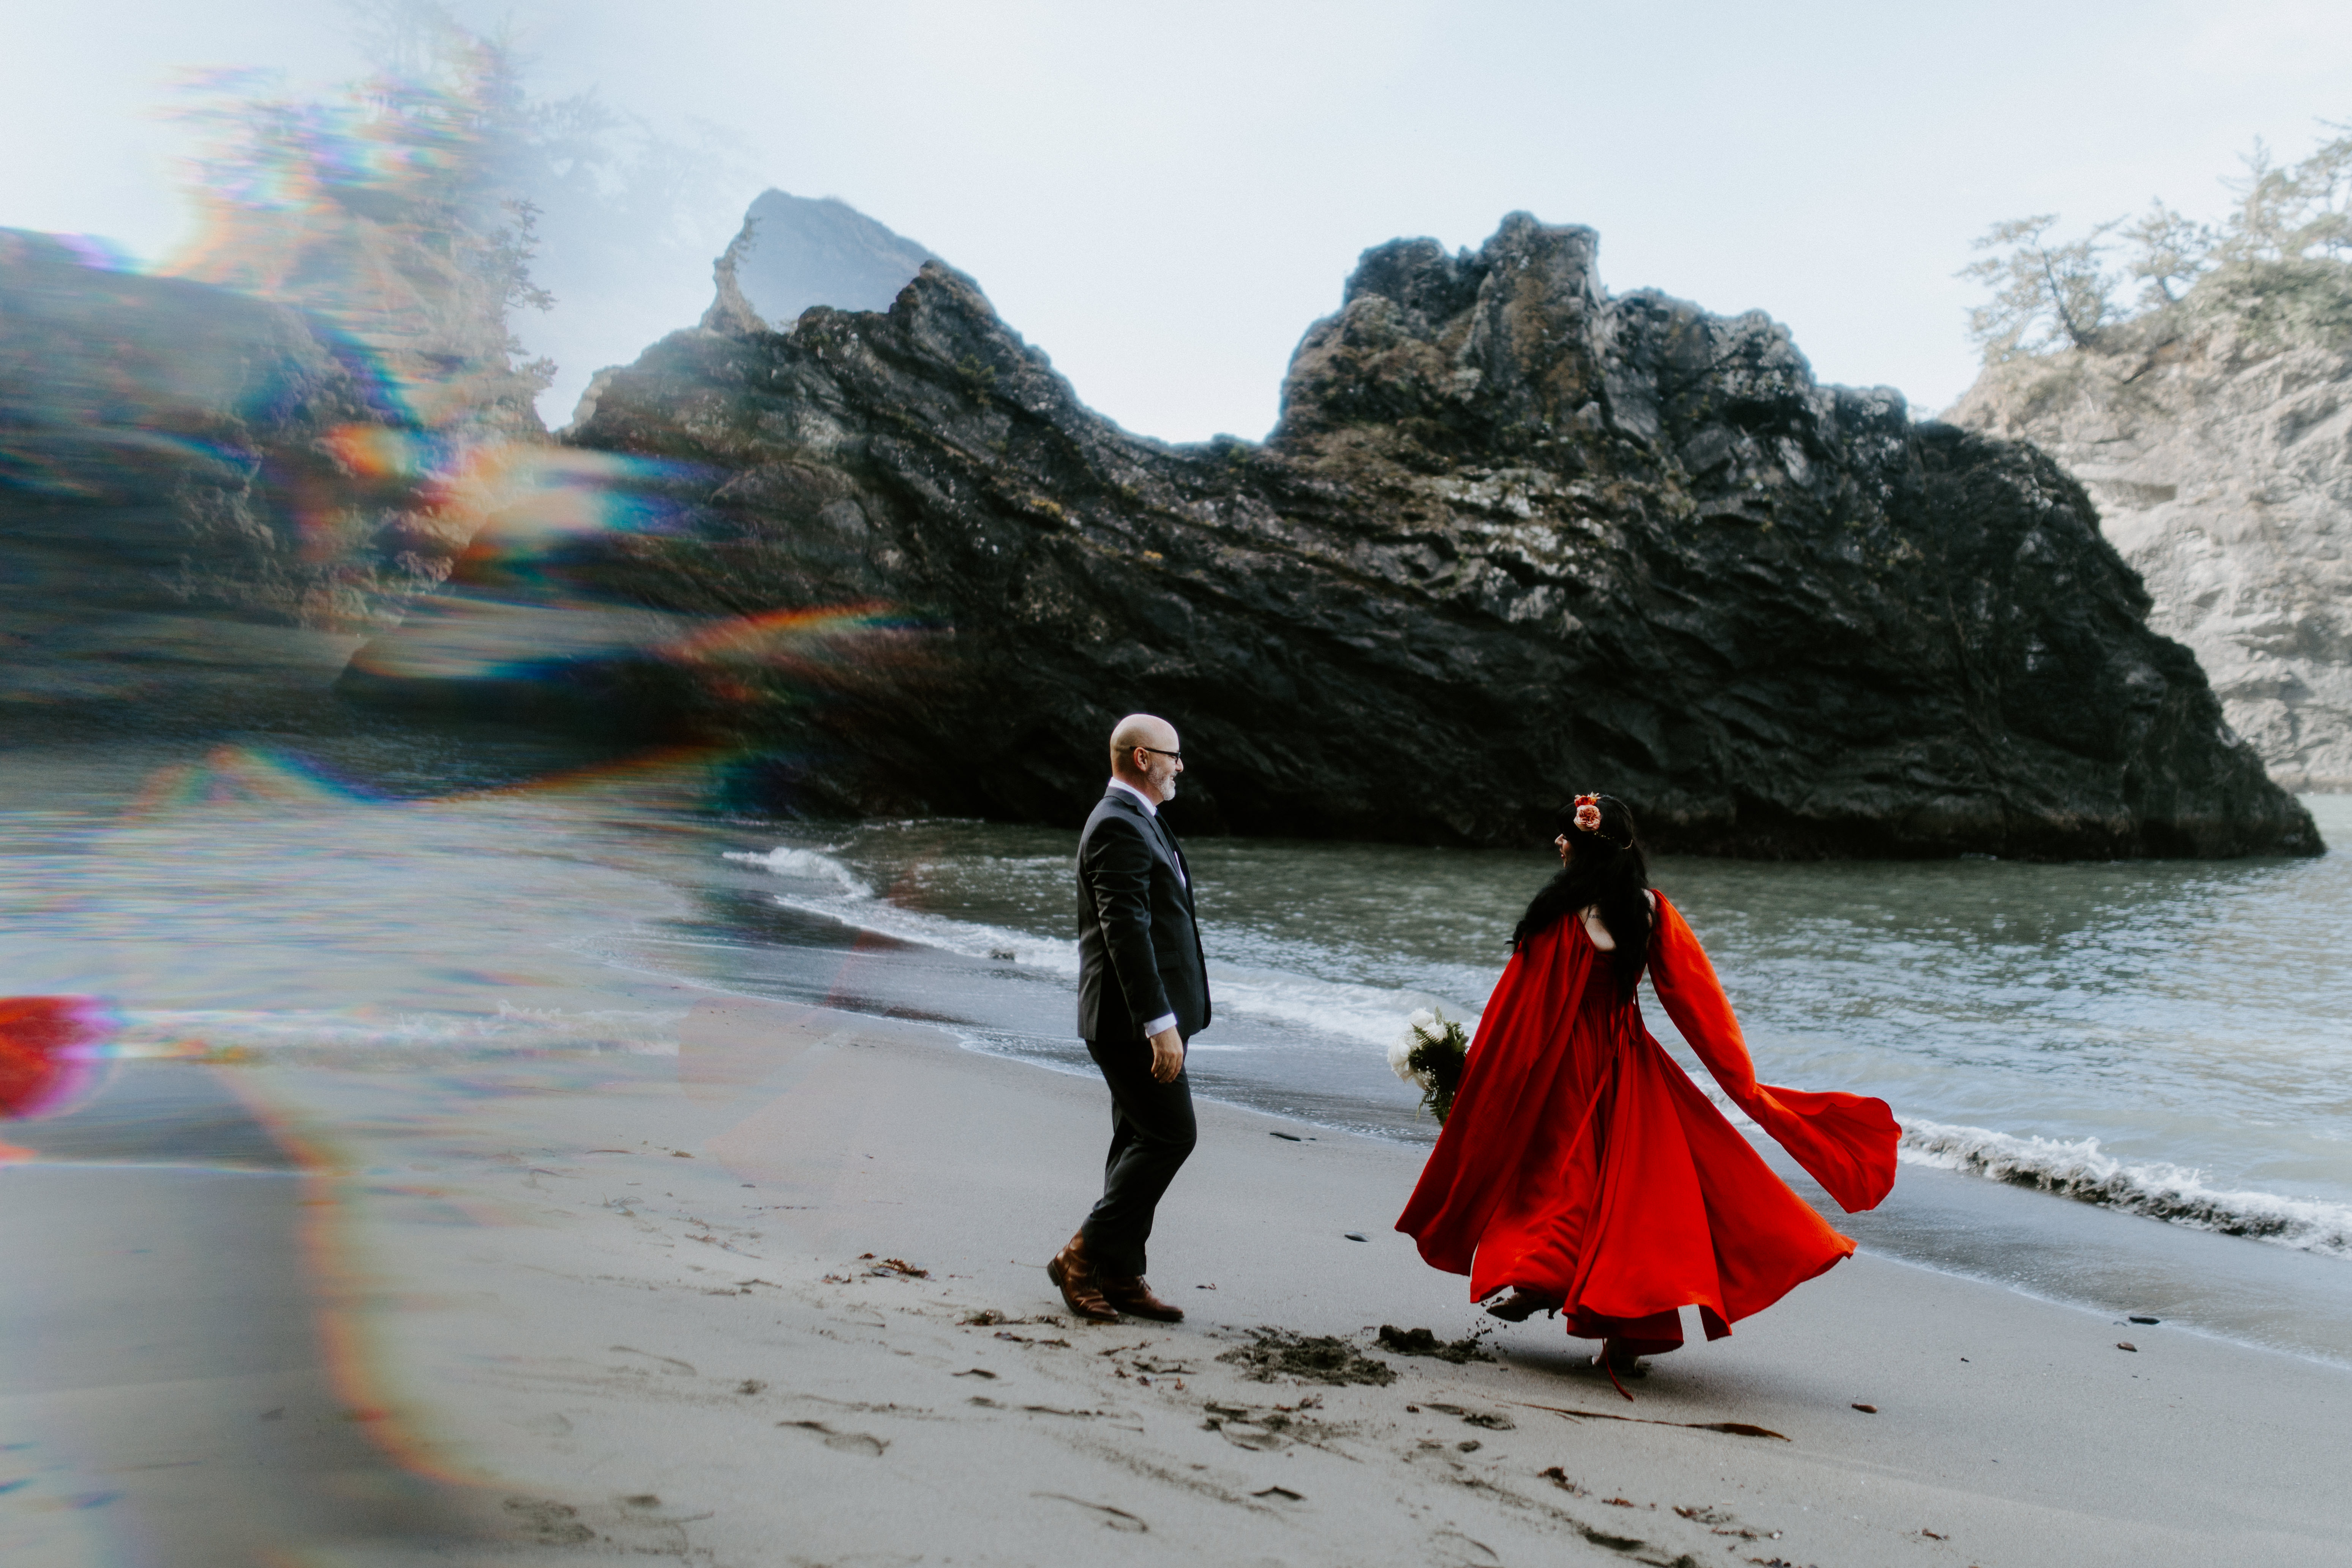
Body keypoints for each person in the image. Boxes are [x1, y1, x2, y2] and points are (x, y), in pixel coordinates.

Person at [1396, 793, 1898, 1391]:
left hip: (1566, 1061)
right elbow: (1701, 1005)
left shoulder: (1560, 909)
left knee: (1567, 1172)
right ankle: (1610, 1325)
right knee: (1628, 1192)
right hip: (1625, 1059)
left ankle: (1541, 1279)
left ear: (1590, 845)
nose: (1558, 844)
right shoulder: (1650, 909)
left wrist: (1488, 1071)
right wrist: (1740, 1081)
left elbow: (1521, 1009)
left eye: (1567, 836)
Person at [1049, 713, 1210, 1325]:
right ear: (1142, 758)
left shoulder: (1141, 819)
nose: (1180, 765)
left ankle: (1119, 1271)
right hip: (1130, 1022)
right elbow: (1126, 932)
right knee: (1172, 1135)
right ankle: (1080, 1255)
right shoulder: (1118, 824)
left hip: (1143, 1018)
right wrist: (1157, 1021)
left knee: (1137, 1138)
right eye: (1173, 754)